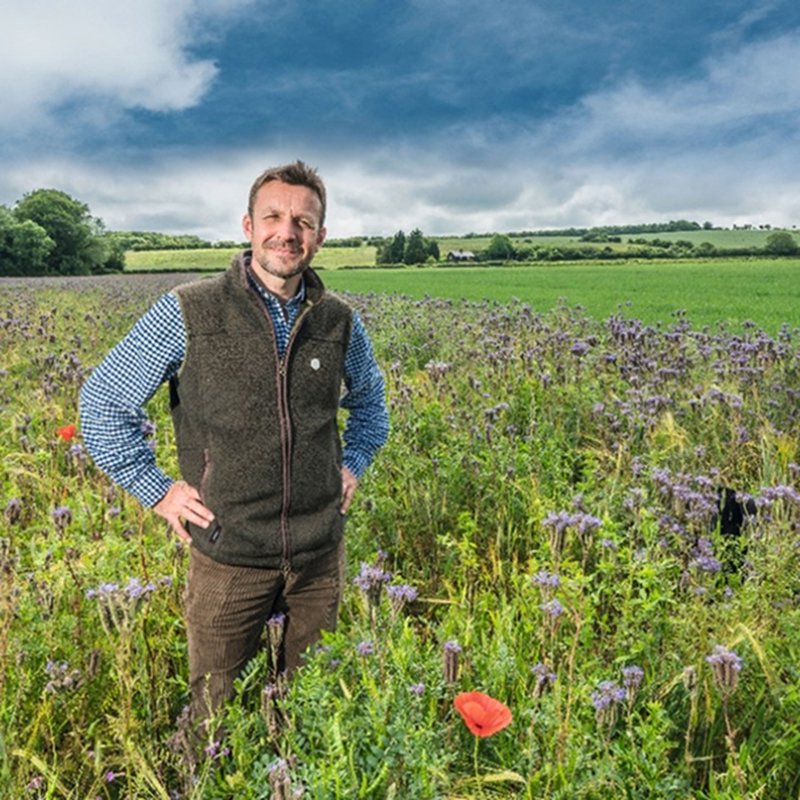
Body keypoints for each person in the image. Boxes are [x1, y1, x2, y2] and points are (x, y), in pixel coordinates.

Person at [80, 160, 389, 728]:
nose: (287, 231)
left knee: (309, 710)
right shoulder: (188, 312)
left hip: (318, 558)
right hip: (230, 557)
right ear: (247, 225)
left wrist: (354, 461)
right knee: (213, 714)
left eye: (303, 221)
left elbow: (372, 405)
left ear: (320, 236)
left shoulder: (339, 322)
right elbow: (101, 404)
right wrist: (158, 492)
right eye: (273, 215)